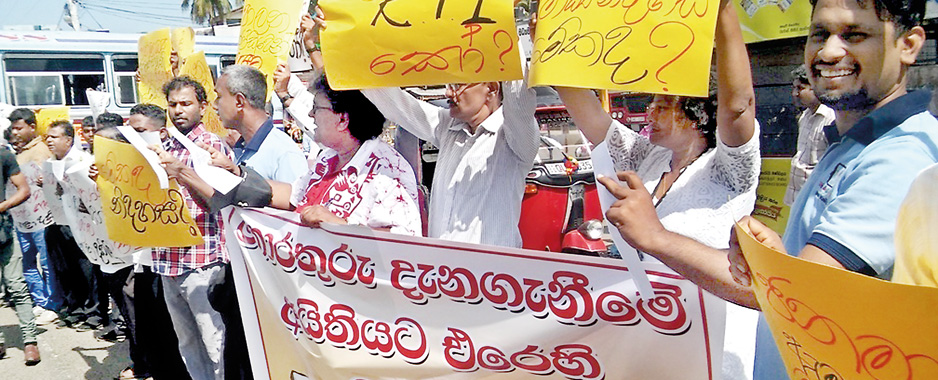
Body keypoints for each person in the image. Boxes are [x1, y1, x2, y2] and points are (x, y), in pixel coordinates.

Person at [595, 0, 937, 378]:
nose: (829, 51)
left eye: (855, 34)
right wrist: (774, 254)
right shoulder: (855, 144)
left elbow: (800, 294)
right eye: (820, 34)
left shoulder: (902, 158)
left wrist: (655, 236)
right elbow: (818, 279)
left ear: (909, 45)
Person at [551, 0, 760, 378]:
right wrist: (549, 37)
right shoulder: (646, 157)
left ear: (698, 110)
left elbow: (739, 107)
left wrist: (724, 11)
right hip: (652, 338)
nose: (651, 111)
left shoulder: (729, 170)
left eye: (664, 103)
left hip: (713, 348)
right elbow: (585, 109)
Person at [307, 11, 539, 247]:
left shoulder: (513, 140)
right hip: (441, 272)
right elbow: (394, 103)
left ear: (490, 88)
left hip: (490, 276)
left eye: (458, 85)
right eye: (449, 84)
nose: (448, 93)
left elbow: (520, 101)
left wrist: (505, 28)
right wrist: (342, 43)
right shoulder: (448, 128)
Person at [157, 73, 421, 236]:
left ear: (342, 119)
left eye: (317, 108)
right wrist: (235, 173)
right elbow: (292, 196)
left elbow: (403, 247)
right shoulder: (328, 161)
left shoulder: (387, 170)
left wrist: (341, 227)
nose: (309, 115)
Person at [156, 76, 237, 380]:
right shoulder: (162, 146)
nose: (178, 110)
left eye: (186, 103)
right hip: (168, 259)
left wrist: (183, 173)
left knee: (214, 338)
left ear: (202, 107)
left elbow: (222, 199)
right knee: (187, 341)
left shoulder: (210, 145)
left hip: (202, 259)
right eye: (173, 104)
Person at [7, 108, 60, 326]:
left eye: (19, 128)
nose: (15, 132)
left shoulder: (41, 151)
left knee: (46, 262)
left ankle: (53, 303)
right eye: (13, 128)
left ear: (31, 127)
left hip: (42, 217)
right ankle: (40, 301)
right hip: (21, 217)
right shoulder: (16, 154)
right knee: (27, 262)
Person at [215, 64, 307, 183]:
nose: (214, 105)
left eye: (219, 97)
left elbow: (296, 200)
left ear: (239, 101)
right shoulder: (241, 148)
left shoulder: (284, 154)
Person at [0, 130, 39, 365]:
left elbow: (24, 189)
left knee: (17, 286)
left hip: (3, 233)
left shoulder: (4, 156)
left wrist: (3, 206)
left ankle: (30, 341)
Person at [784, 65, 836, 206]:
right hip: (798, 197)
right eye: (794, 88)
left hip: (817, 200)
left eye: (800, 88)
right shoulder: (805, 116)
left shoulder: (832, 119)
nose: (795, 93)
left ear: (815, 87)